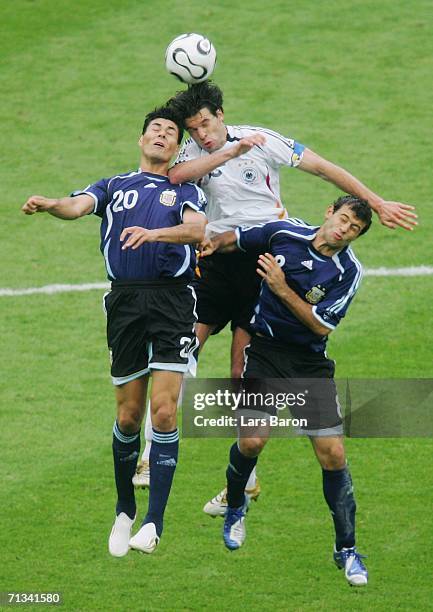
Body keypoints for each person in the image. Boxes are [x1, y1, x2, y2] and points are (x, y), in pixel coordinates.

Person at [131, 80, 416, 515]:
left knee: (242, 369)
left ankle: (244, 482)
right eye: (194, 129)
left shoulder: (263, 140)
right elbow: (172, 177)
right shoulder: (196, 153)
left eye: (206, 123)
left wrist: (375, 203)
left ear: (221, 114)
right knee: (182, 349)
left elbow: (322, 167)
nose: (202, 134)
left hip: (263, 261)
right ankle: (152, 455)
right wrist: (225, 153)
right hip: (215, 258)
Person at [21, 107, 207, 557]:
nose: (162, 135)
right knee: (128, 416)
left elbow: (197, 230)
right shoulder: (114, 186)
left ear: (178, 148)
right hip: (124, 304)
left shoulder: (184, 187)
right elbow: (77, 205)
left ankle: (153, 522)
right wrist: (51, 206)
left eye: (170, 132)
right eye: (155, 130)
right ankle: (125, 508)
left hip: (172, 301)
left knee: (163, 412)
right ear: (141, 140)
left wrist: (155, 235)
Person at [203, 195, 371, 586]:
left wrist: (280, 288)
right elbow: (244, 237)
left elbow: (320, 327)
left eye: (354, 229)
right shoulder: (285, 232)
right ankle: (235, 507)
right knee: (251, 442)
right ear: (329, 213)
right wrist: (215, 243)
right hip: (263, 353)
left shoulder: (348, 272)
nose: (344, 230)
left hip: (309, 366)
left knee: (332, 454)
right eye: (343, 219)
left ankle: (346, 549)